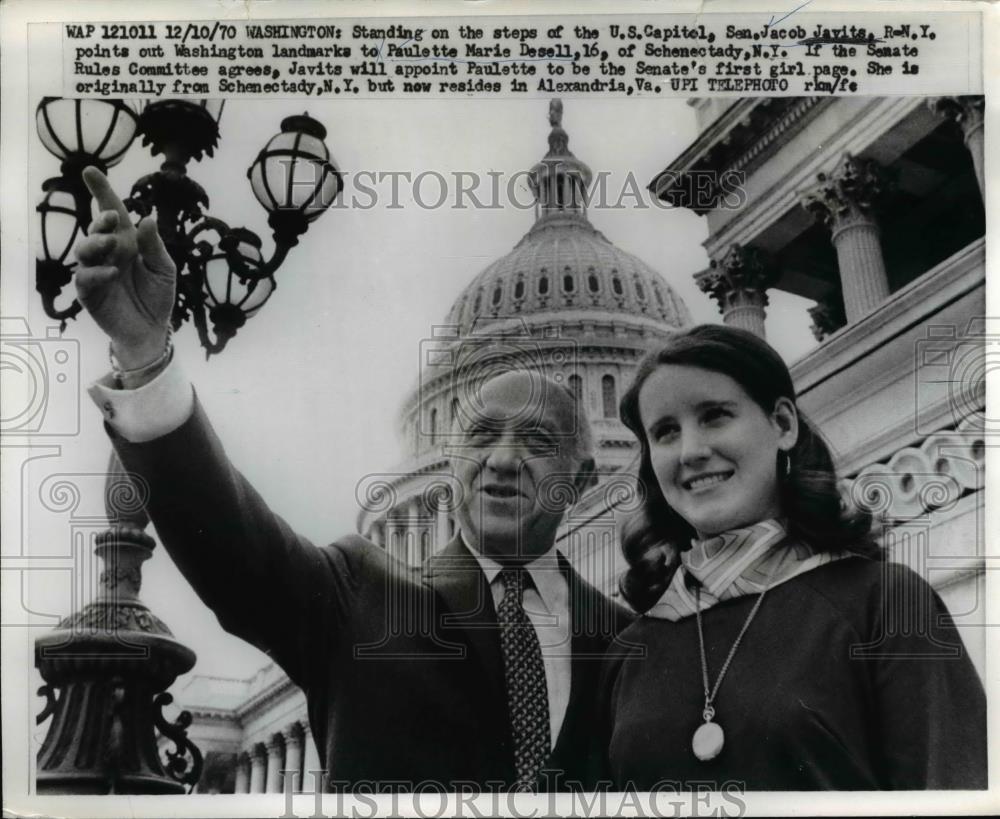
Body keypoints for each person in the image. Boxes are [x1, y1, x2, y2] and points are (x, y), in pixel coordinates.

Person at [73, 167, 631, 792]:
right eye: (480, 436)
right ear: (450, 461)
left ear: (583, 479)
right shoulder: (359, 596)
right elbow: (232, 543)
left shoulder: (630, 638)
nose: (502, 459)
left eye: (536, 441)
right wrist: (145, 354)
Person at [600, 324, 987, 790]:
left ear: (782, 425)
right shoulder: (629, 650)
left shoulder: (885, 604)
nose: (691, 451)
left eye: (715, 416)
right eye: (665, 432)